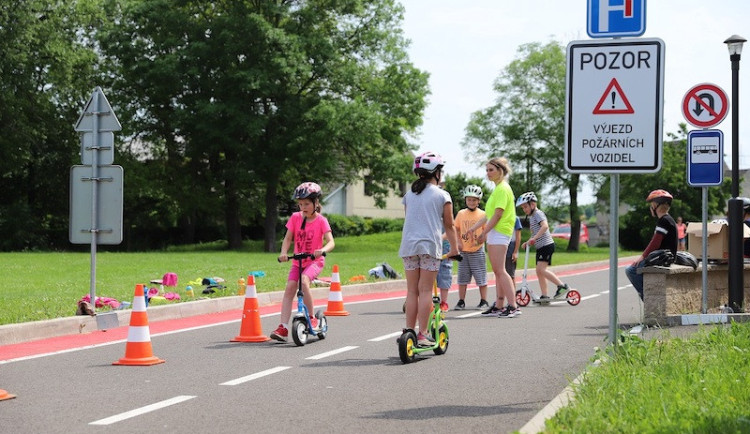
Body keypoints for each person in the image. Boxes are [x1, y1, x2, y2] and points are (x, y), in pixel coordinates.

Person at [399, 151, 459, 346]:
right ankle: (422, 333)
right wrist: (455, 250)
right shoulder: (442, 195)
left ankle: (409, 330)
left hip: (408, 246)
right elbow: (449, 226)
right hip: (429, 245)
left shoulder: (409, 195)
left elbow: (410, 220)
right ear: (437, 173)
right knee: (425, 290)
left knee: (411, 291)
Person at [271, 182, 335, 342]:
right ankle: (283, 328)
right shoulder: (294, 218)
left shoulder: (321, 221)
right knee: (290, 288)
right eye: (300, 204)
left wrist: (323, 250)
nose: (303, 207)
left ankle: (312, 317)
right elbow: (287, 239)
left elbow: (331, 242)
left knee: (303, 281)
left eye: (306, 204)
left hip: (315, 261)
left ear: (316, 203)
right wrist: (284, 253)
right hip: (297, 261)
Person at [467, 157, 520, 318]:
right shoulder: (497, 189)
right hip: (495, 232)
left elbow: (498, 215)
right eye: (487, 170)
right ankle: (499, 305)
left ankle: (513, 306)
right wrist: (474, 228)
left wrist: (483, 233)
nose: (488, 173)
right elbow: (488, 216)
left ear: (501, 171)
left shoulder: (503, 188)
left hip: (500, 231)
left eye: (491, 170)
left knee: (500, 270)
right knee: (498, 271)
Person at [516, 192, 570, 302]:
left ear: (533, 204)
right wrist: (528, 241)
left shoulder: (538, 214)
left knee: (541, 269)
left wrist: (534, 238)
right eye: (522, 208)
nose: (524, 210)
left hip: (546, 245)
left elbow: (545, 226)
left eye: (525, 206)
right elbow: (535, 232)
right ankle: (544, 295)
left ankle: (562, 286)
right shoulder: (532, 217)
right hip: (540, 247)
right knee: (539, 271)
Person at [625, 189, 678, 301]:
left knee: (631, 270)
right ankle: (650, 294)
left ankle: (648, 298)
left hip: (663, 258)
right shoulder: (668, 220)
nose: (650, 208)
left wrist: (642, 256)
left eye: (651, 205)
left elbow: (655, 242)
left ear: (655, 205)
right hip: (666, 257)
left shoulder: (664, 221)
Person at [453, 185, 489, 310]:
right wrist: (458, 242)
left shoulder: (483, 214)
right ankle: (461, 301)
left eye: (474, 200)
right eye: (469, 200)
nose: (471, 202)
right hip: (463, 250)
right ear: (465, 200)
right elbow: (456, 229)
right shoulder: (461, 214)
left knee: (480, 276)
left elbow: (486, 231)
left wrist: (482, 239)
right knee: (462, 277)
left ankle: (484, 300)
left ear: (478, 201)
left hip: (477, 250)